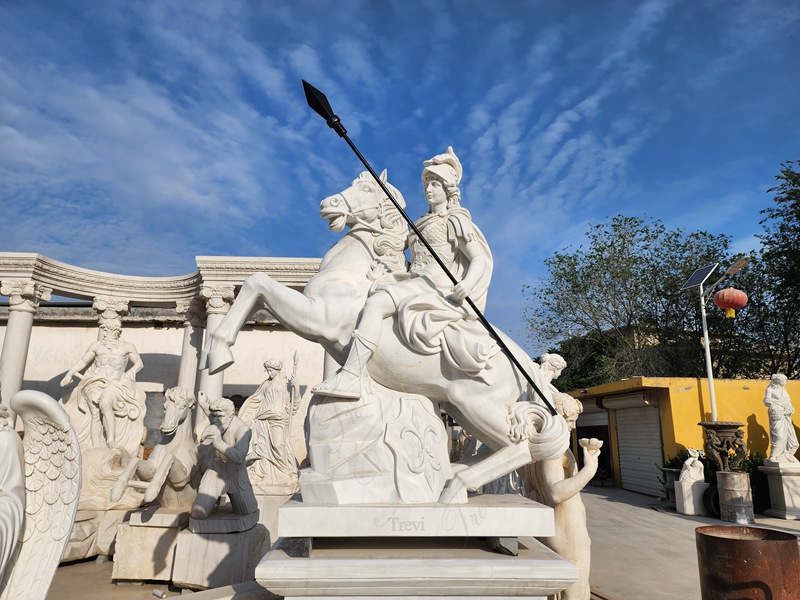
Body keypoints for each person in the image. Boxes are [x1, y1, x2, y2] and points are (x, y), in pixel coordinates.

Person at [313, 147, 494, 399]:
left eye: (435, 185)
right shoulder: (419, 225)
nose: (429, 190)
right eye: (427, 184)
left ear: (448, 189)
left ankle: (352, 375)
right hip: (412, 280)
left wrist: (468, 283)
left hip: (435, 286)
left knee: (376, 304)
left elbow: (478, 259)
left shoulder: (455, 220)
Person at [521, 392, 599, 600]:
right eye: (571, 421)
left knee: (560, 588)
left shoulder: (539, 448)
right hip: (567, 531)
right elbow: (555, 492)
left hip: (554, 527)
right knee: (576, 588)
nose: (573, 427)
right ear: (558, 419)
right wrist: (589, 470)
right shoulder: (554, 451)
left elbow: (530, 488)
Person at [60, 318, 144, 449]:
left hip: (113, 384)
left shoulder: (127, 347)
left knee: (105, 404)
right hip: (93, 382)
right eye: (105, 330)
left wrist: (129, 374)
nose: (107, 333)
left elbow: (139, 364)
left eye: (110, 330)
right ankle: (96, 447)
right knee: (95, 414)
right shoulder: (97, 346)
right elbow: (82, 363)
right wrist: (69, 374)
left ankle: (111, 441)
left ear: (117, 331)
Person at [238, 358, 301, 492]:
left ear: (278, 370)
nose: (269, 373)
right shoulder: (265, 384)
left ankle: (284, 474)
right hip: (262, 419)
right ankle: (266, 475)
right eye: (267, 370)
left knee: (279, 446)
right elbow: (255, 400)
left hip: (278, 419)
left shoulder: (286, 384)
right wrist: (249, 415)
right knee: (262, 449)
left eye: (271, 370)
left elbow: (293, 405)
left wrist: (297, 387)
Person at [192, 395, 258, 519]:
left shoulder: (243, 430)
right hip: (215, 470)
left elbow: (239, 458)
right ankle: (212, 503)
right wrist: (202, 403)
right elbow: (209, 411)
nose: (215, 420)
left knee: (247, 512)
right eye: (214, 416)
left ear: (230, 416)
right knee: (197, 513)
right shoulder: (217, 419)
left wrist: (218, 443)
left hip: (236, 475)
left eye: (220, 416)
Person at [764, 373, 799, 463]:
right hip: (777, 414)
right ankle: (773, 456)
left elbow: (788, 401)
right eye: (784, 380)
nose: (786, 382)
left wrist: (789, 408)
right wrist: (778, 405)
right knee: (779, 436)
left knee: (790, 438)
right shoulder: (770, 389)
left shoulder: (784, 390)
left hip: (786, 415)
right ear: (778, 381)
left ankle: (786, 455)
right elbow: (766, 401)